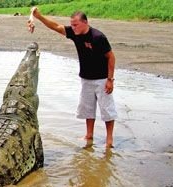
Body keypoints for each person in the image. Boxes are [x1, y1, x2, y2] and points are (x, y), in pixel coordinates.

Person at [28, 8, 117, 148]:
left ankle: (109, 139)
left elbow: (111, 57)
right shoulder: (75, 34)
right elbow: (56, 26)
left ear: (85, 23)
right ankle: (89, 135)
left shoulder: (98, 37)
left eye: (76, 25)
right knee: (88, 109)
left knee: (107, 110)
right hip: (86, 78)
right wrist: (38, 16)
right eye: (72, 25)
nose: (73, 27)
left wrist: (110, 80)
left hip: (102, 79)